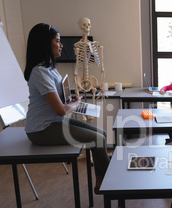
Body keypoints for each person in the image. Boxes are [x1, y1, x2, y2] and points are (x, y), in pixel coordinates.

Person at [24, 23, 110, 194]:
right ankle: (111, 183)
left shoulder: (50, 68)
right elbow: (61, 110)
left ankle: (101, 181)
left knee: (103, 135)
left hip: (55, 122)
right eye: (57, 41)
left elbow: (59, 103)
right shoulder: (40, 72)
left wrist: (70, 101)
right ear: (45, 44)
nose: (61, 45)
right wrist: (76, 103)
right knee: (98, 140)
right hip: (42, 130)